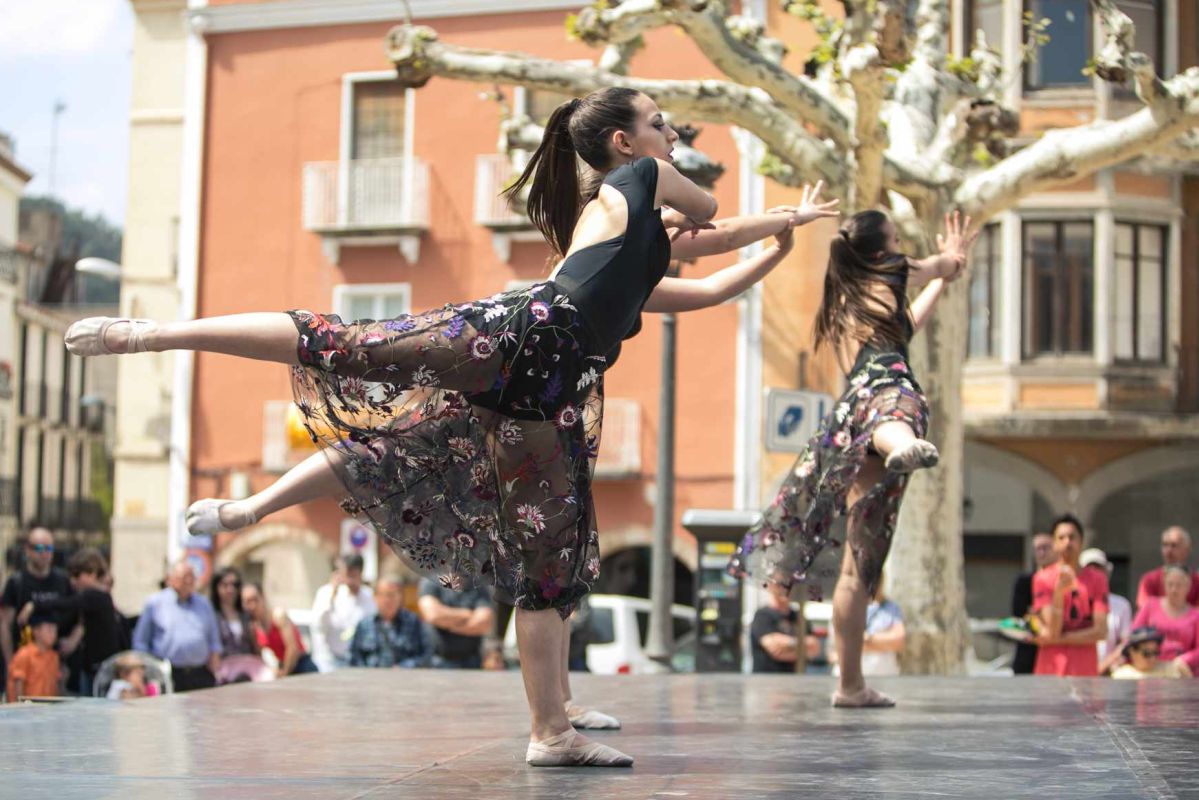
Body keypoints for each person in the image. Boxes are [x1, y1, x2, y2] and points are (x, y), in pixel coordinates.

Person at [65, 86, 839, 767]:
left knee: (542, 558)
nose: (671, 136)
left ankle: (552, 724)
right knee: (349, 345)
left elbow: (709, 289)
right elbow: (708, 215)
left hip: (547, 396)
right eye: (659, 124)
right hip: (520, 339)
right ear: (622, 141)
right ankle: (149, 334)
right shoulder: (636, 177)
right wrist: (754, 216)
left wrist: (777, 242)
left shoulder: (635, 255)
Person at [729, 208, 976, 707]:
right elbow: (938, 266)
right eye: (896, 239)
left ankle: (850, 685)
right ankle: (901, 443)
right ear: (881, 250)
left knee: (859, 568)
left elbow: (906, 325)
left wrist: (941, 282)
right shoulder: (890, 271)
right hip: (881, 394)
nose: (902, 246)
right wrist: (950, 261)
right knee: (895, 411)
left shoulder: (846, 300)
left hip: (847, 416)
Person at [16, 549, 126, 696]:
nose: (73, 582)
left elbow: (66, 604)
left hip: (99, 670)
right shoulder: (100, 599)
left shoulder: (95, 596)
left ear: (92, 573)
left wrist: (34, 605)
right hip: (93, 667)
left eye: (77, 576)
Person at [1032, 515, 1109, 677]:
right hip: (1051, 669)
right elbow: (1054, 629)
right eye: (1061, 537)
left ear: (1081, 541)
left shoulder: (1097, 579)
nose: (1067, 542)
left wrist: (1059, 639)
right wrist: (1059, 593)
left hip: (1084, 670)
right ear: (1054, 543)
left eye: (1072, 537)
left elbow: (1101, 631)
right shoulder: (1042, 579)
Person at [0, 527, 74, 691]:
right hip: (25, 661)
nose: (44, 553)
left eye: (49, 548)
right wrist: (10, 661)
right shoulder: (17, 582)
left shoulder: (62, 580)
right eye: (39, 548)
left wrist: (72, 641)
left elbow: (80, 612)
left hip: (55, 662)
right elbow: (5, 624)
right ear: (28, 550)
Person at [131, 561, 222, 692]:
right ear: (171, 579)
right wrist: (141, 672)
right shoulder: (155, 603)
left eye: (192, 577)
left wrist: (215, 660)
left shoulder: (204, 604)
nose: (189, 581)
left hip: (200, 674)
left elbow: (214, 640)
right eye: (185, 576)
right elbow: (140, 642)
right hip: (168, 674)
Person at [1128, 565, 1199, 676]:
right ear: (1164, 585)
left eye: (1179, 585)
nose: (1174, 589)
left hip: (1182, 670)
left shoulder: (1196, 615)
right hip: (1150, 666)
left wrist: (1184, 659)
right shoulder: (1150, 605)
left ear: (1188, 586)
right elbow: (1135, 635)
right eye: (1170, 584)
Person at [349, 577, 434, 668]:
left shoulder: (414, 622)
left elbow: (426, 656)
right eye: (383, 595)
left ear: (400, 597)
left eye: (392, 595)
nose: (387, 600)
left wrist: (403, 668)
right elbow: (354, 658)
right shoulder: (364, 625)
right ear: (375, 597)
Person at [310, 554, 376, 672]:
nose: (349, 579)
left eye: (353, 574)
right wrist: (333, 593)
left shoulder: (369, 596)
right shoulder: (326, 593)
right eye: (346, 574)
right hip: (328, 660)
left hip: (357, 661)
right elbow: (318, 624)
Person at [242, 582, 318, 676]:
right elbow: (259, 657)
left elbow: (292, 648)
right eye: (247, 602)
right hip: (283, 666)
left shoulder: (278, 616)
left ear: (262, 597)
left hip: (302, 665)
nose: (252, 605)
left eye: (255, 599)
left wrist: (284, 673)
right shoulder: (254, 628)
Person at [417, 577, 493, 669]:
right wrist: (468, 614)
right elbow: (433, 615)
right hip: (437, 661)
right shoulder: (430, 580)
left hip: (472, 662)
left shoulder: (479, 585)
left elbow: (484, 623)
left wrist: (448, 625)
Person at [1079, 548, 1132, 665]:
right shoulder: (1071, 601)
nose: (1094, 574)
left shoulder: (1122, 605)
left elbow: (1126, 642)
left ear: (1107, 572)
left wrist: (1104, 666)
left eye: (1098, 568)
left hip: (1108, 674)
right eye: (1088, 569)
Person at [751, 582, 818, 673]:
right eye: (780, 585)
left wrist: (786, 644)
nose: (785, 589)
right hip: (767, 681)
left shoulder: (799, 617)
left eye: (789, 586)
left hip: (796, 681)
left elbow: (814, 649)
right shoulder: (763, 616)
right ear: (771, 587)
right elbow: (773, 648)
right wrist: (802, 645)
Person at [1136, 526, 1199, 610]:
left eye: (1174, 545)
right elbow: (1145, 610)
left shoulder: (1197, 581)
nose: (1168, 550)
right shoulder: (1149, 580)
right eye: (1165, 545)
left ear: (1187, 549)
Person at [5, 611, 61, 701]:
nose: (53, 634)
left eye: (55, 630)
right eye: (49, 629)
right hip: (27, 708)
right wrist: (20, 706)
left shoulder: (54, 656)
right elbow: (18, 685)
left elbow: (55, 686)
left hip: (47, 709)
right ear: (36, 631)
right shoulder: (25, 654)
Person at [209, 567, 258, 657]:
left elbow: (254, 645)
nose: (230, 589)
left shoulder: (246, 615)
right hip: (221, 667)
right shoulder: (211, 615)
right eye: (225, 585)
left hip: (246, 667)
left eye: (235, 585)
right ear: (216, 587)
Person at [1111, 627, 1188, 679]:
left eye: (1155, 652)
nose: (1153, 658)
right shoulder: (1122, 675)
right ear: (1132, 652)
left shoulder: (1168, 669)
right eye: (1147, 653)